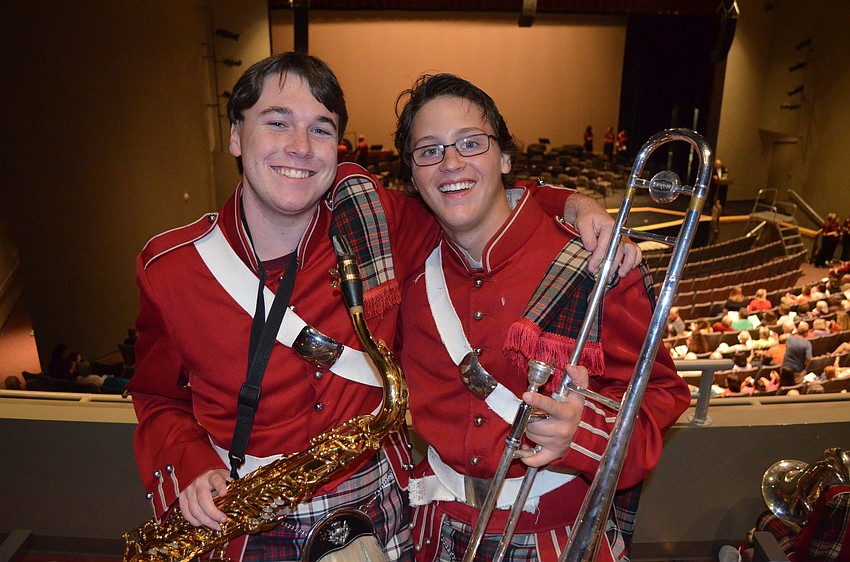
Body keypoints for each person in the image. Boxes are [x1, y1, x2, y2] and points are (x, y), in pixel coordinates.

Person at [126, 52, 638, 562]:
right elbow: (156, 396)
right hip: (242, 515)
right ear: (236, 135)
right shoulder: (171, 268)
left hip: (378, 503)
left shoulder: (377, 223)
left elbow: (474, 199)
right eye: (277, 123)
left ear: (339, 146)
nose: (300, 148)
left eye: (321, 129)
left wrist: (577, 205)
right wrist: (188, 462)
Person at [392, 73, 689, 562]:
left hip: (555, 535)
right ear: (413, 173)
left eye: (471, 143)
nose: (450, 163)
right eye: (429, 151)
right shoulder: (407, 265)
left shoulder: (593, 262)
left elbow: (661, 393)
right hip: (433, 530)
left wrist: (586, 431)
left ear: (505, 157)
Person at [780, 321, 812, 386]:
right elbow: (809, 359)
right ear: (806, 333)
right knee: (796, 386)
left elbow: (781, 338)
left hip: (785, 369)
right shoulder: (807, 343)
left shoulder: (789, 338)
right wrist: (805, 367)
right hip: (798, 371)